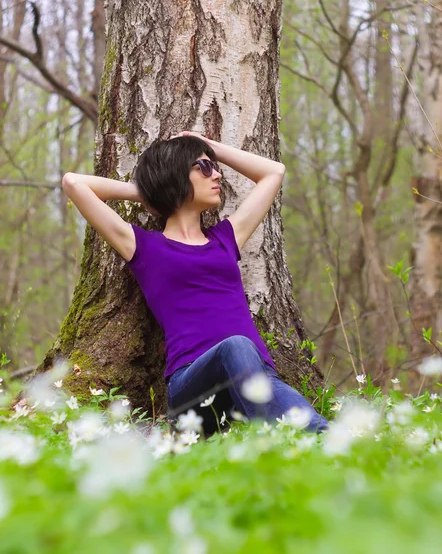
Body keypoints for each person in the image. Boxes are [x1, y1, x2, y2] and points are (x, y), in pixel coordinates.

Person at [61, 132, 328, 436]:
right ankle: (293, 441)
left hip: (254, 378)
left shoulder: (225, 240)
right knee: (237, 346)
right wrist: (152, 191)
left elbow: (273, 172)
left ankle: (300, 442)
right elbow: (74, 183)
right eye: (203, 166)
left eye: (213, 166)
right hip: (194, 388)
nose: (216, 174)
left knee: (302, 415)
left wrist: (210, 146)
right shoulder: (145, 248)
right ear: (176, 177)